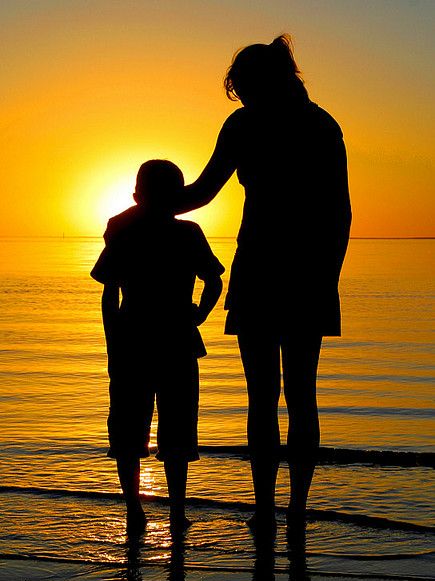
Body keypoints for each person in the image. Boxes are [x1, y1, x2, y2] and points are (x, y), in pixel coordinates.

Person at [177, 35, 352, 531]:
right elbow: (204, 191)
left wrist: (327, 278)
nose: (244, 98)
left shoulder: (311, 126)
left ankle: (283, 507)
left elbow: (338, 211)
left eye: (246, 88)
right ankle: (276, 508)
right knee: (286, 392)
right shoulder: (276, 124)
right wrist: (149, 207)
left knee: (286, 392)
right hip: (275, 269)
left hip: (290, 270)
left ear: (263, 82)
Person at [91, 160, 224, 535]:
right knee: (175, 432)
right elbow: (213, 281)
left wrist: (112, 341)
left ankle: (136, 509)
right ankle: (173, 511)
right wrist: (199, 313)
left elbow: (109, 293)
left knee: (130, 430)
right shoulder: (186, 232)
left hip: (134, 339)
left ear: (137, 196)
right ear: (178, 199)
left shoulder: (123, 230)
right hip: (175, 340)